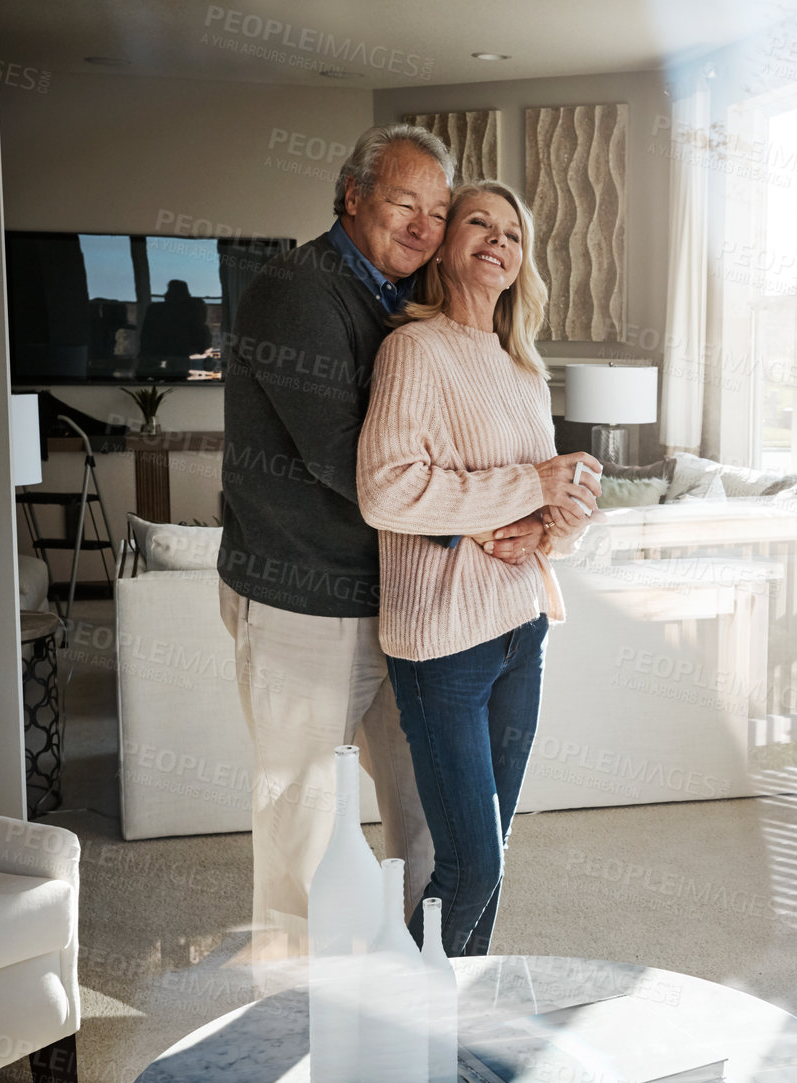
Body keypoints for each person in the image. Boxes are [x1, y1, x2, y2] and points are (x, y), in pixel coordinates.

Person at [217, 128, 546, 990]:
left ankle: (414, 995)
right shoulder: (297, 292)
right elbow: (342, 457)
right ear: (352, 196)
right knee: (303, 820)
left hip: (405, 609)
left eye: (440, 211)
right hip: (303, 601)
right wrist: (484, 520)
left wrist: (533, 514)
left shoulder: (410, 304)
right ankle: (292, 1009)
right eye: (405, 203)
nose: (425, 225)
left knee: (430, 819)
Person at [357, 180, 602, 956]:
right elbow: (386, 491)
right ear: (444, 245)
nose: (499, 240)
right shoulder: (412, 349)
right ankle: (402, 1032)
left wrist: (555, 523)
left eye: (514, 234)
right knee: (471, 861)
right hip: (442, 645)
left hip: (522, 631)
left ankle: (459, 1026)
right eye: (479, 223)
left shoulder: (524, 371)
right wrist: (531, 488)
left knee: (491, 858)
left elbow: (538, 518)